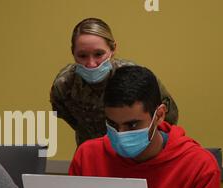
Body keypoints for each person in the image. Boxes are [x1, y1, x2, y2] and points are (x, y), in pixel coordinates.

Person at [12, 66, 220, 188]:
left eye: (132, 124)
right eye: (112, 124)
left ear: (160, 114)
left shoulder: (199, 167)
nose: (120, 135)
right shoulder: (88, 155)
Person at [50, 18, 179, 146]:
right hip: (92, 152)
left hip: (133, 151)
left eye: (99, 54)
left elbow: (168, 116)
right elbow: (68, 117)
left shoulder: (134, 78)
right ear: (73, 53)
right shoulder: (64, 85)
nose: (91, 64)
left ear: (113, 49)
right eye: (82, 56)